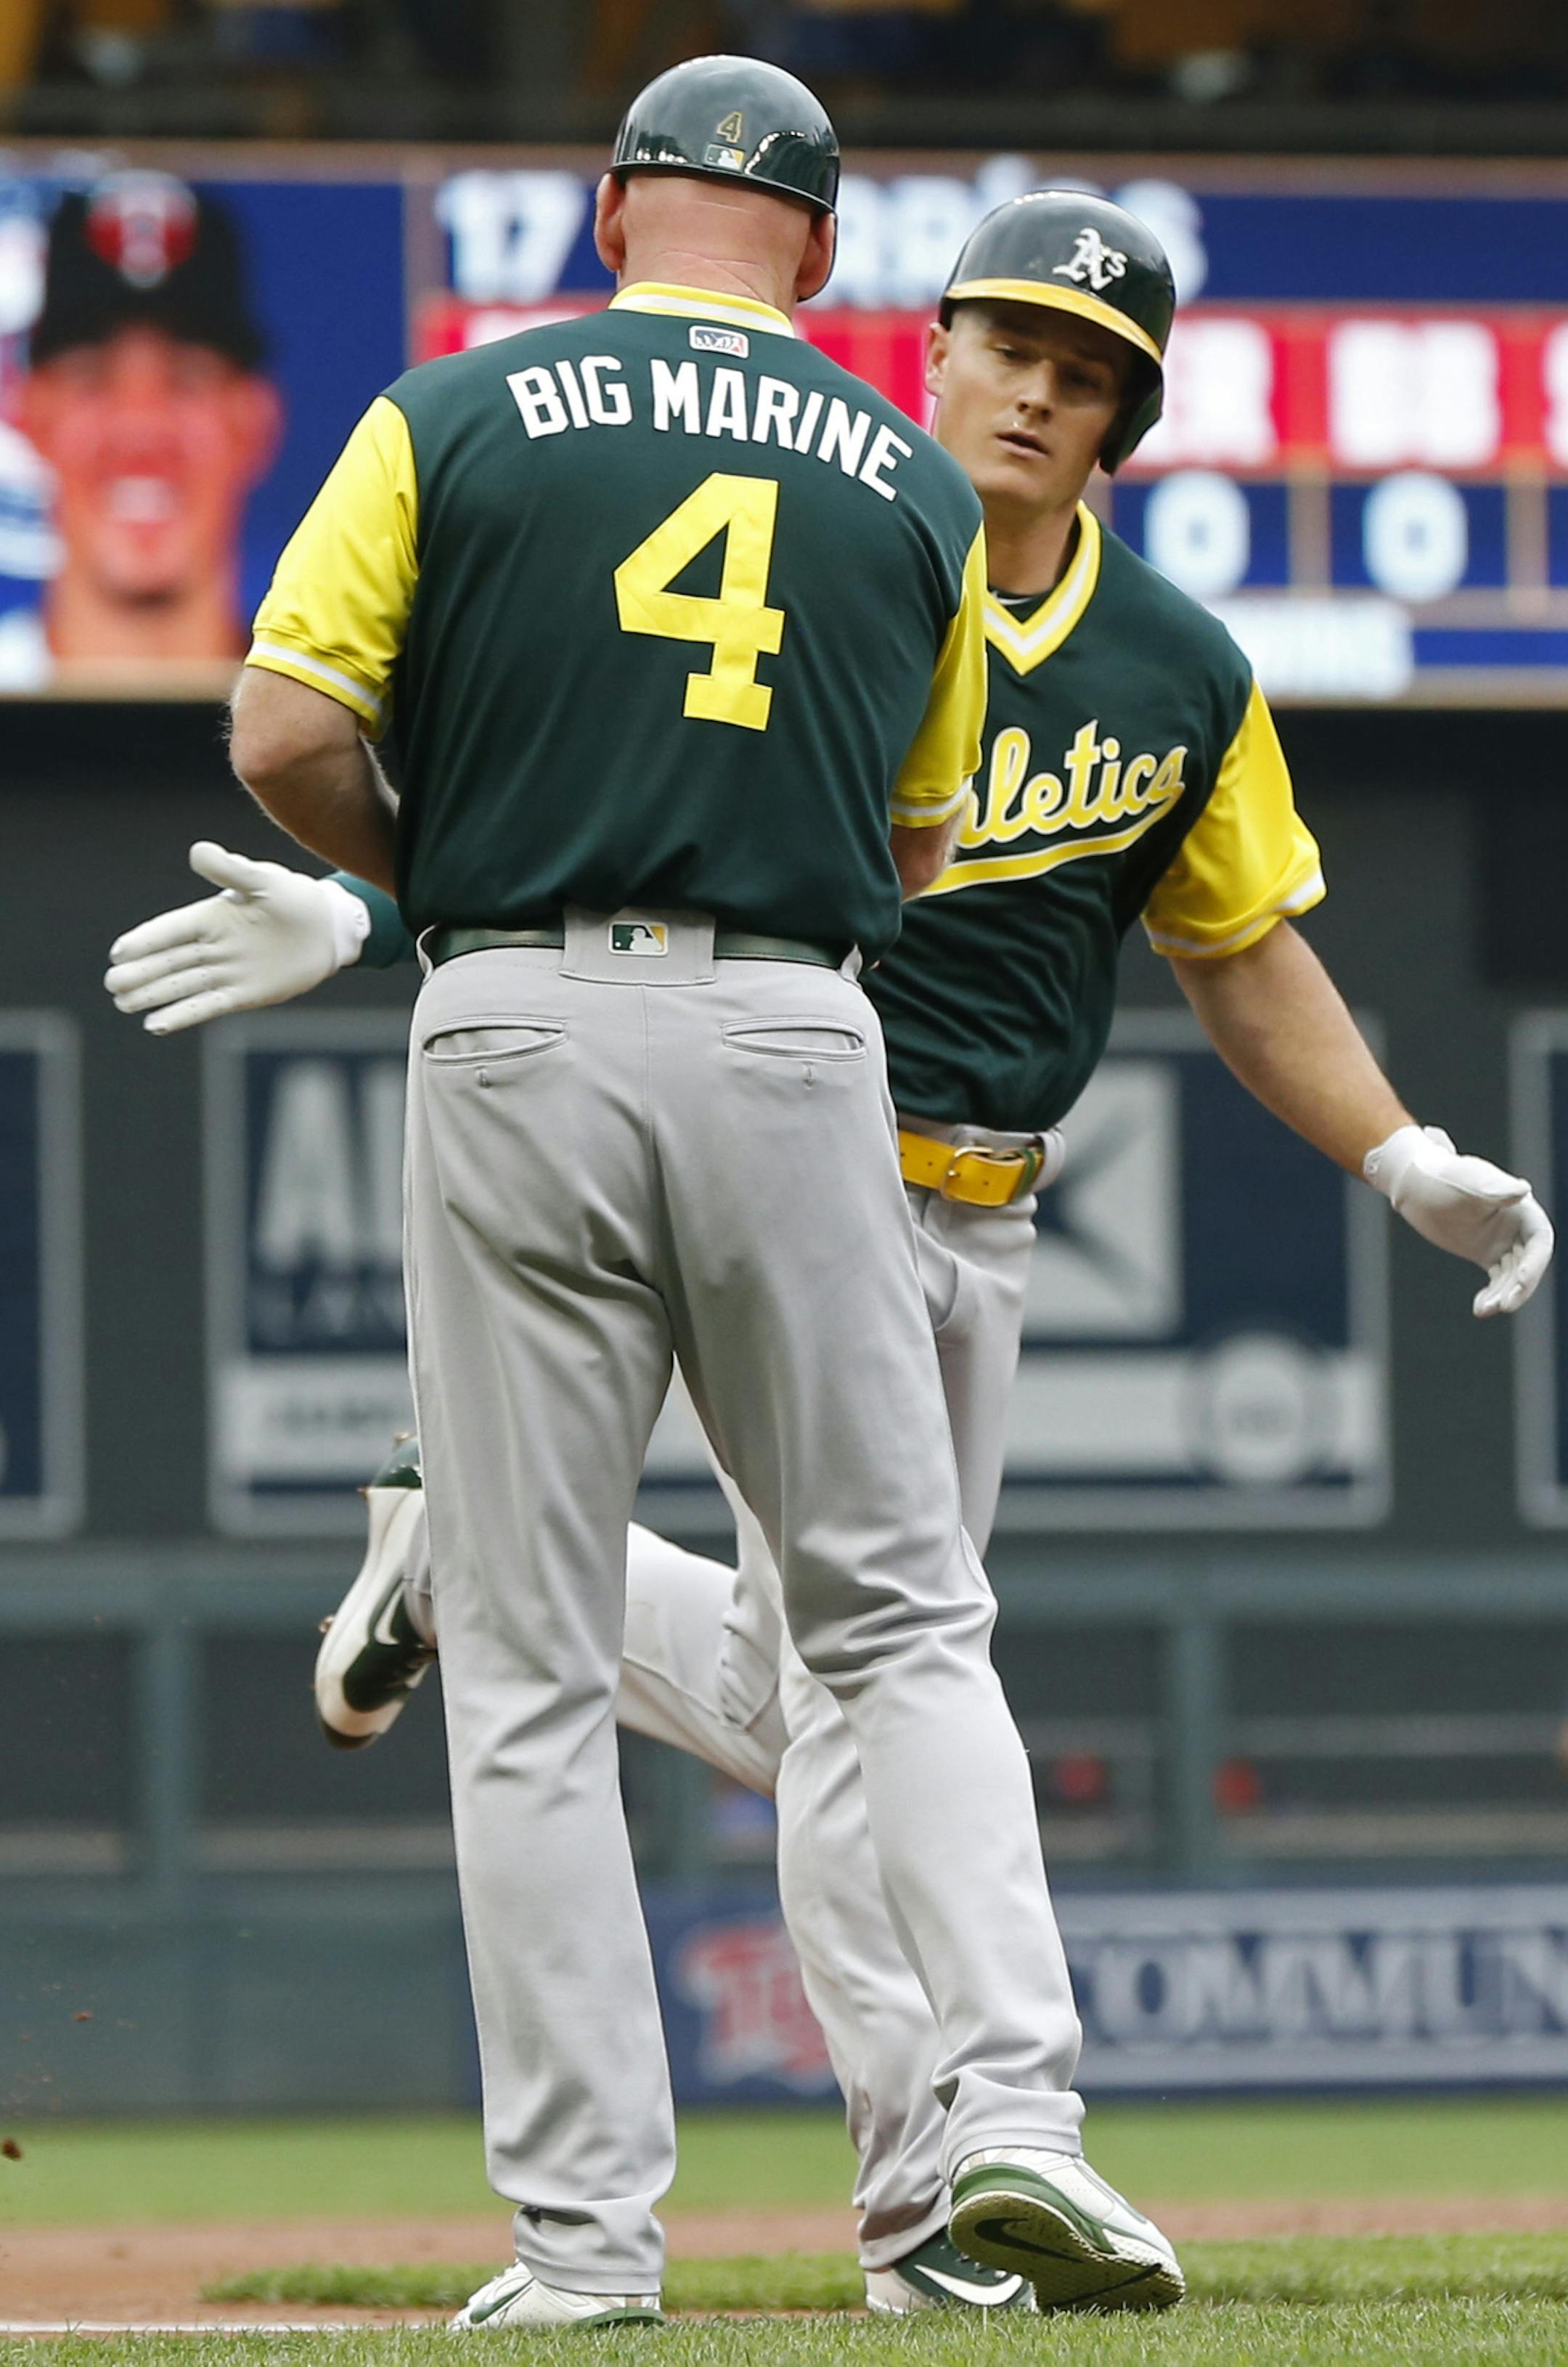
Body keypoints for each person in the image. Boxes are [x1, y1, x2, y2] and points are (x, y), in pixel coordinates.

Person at [107, 187, 1553, 2315]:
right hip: (797, 1128)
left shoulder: (1159, 658)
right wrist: (412, 912)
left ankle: (541, 1597)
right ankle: (945, 2178)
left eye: (1090, 375)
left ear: (1128, 424)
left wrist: (1401, 1146)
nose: (1040, 394)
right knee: (895, 1668)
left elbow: (1244, 949)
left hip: (960, 1195)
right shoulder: (858, 514)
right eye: (1015, 346)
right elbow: (675, 845)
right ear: (923, 335)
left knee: (829, 1693)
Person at [181, 62, 1185, 2331]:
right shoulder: (920, 491)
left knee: (528, 1671)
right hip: (799, 1028)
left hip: (518, 1011)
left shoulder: (446, 411)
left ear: (611, 213)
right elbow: (924, 841)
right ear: (824, 261)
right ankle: (1014, 2125)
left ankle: (584, 2251)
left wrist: (467, 872)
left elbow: (280, 728)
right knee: (904, 1618)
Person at [8, 170, 279, 692]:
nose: (141, 425)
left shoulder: (354, 732)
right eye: (91, 375)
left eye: (188, 376)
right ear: (30, 415)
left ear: (254, 421)